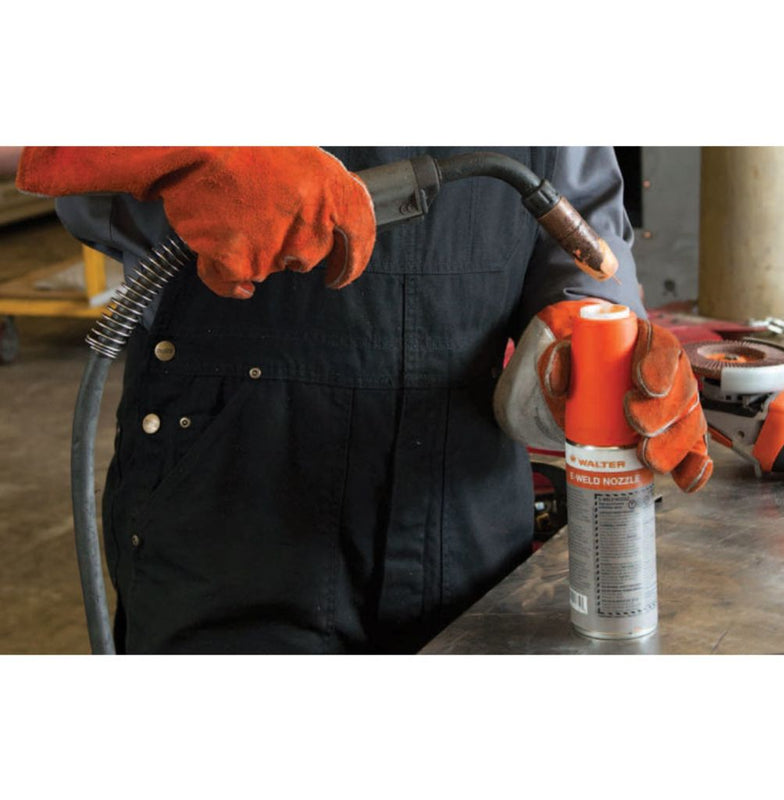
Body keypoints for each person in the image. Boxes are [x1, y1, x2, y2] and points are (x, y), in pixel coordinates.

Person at [16, 146, 712, 654]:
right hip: (232, 510)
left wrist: (575, 356)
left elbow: (583, 242)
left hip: (465, 525)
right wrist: (187, 150)